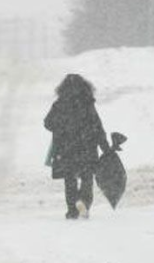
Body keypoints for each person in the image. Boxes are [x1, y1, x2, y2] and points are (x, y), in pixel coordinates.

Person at [44, 74, 111, 220]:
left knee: (70, 180)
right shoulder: (87, 103)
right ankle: (84, 202)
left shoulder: (59, 104)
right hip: (87, 147)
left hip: (66, 149)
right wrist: (105, 146)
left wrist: (62, 128)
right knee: (87, 178)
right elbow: (97, 126)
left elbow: (48, 123)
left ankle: (72, 210)